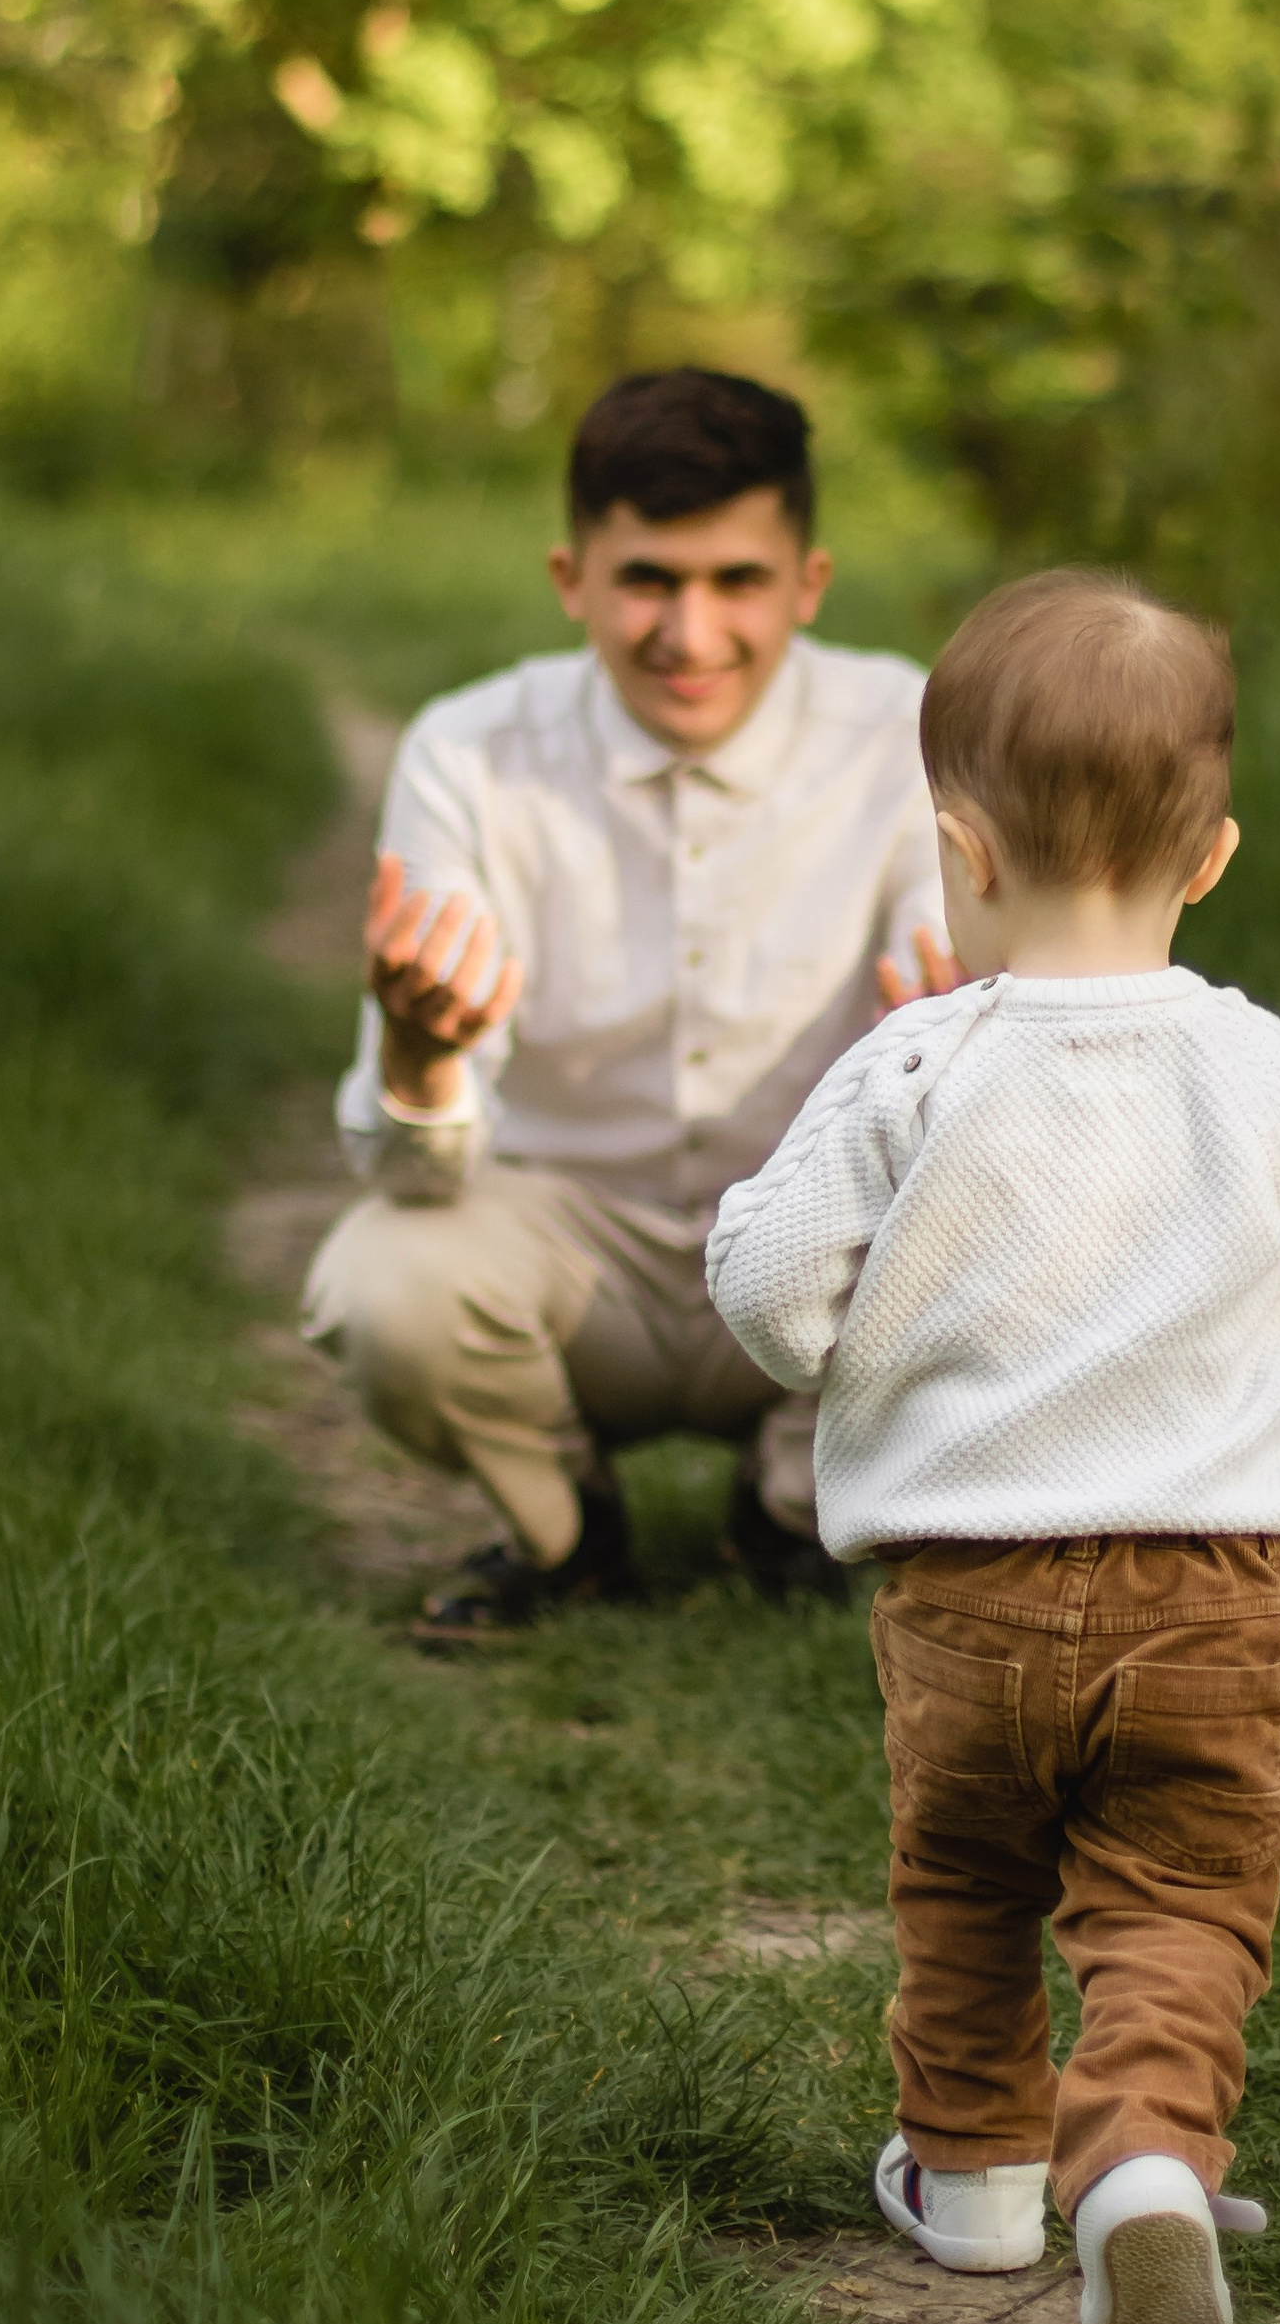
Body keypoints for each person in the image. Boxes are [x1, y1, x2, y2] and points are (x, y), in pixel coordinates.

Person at [705, 570, 1280, 2324]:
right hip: (1211, 1592)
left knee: (964, 1887)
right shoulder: (1258, 1067)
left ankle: (971, 2183)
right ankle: (1140, 2160)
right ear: (1210, 860)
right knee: (1182, 1902)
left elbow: (764, 1296)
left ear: (958, 852)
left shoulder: (911, 1065)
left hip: (962, 1594)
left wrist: (853, 1315)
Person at [303, 367, 954, 1648]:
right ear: (573, 581)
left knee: (973, 1203)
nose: (691, 633)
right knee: (382, 1279)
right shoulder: (469, 751)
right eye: (649, 579)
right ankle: (564, 1526)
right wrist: (421, 1058)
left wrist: (952, 1053)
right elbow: (409, 1177)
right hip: (570, 1259)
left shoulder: (911, 730)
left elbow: (959, 1060)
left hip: (817, 1245)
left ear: (808, 584)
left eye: (738, 582)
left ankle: (792, 1508)